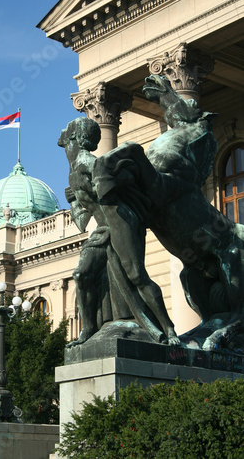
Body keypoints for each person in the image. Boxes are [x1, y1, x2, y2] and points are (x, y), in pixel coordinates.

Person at [58, 117, 179, 345]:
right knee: (81, 275)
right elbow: (82, 220)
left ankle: (169, 329)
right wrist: (74, 201)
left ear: (74, 139)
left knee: (136, 275)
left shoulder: (88, 162)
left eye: (66, 138)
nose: (63, 143)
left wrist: (96, 186)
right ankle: (89, 330)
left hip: (120, 221)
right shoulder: (73, 172)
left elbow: (116, 186)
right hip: (102, 229)